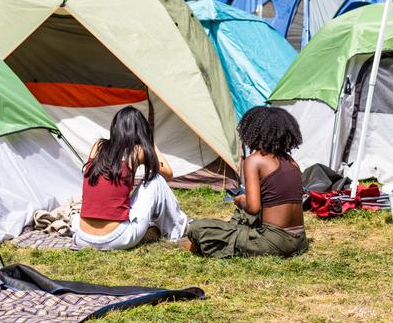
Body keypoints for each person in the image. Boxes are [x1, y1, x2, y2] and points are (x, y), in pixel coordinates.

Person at [184, 106, 308, 258]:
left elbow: (253, 208)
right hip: (300, 240)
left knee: (197, 228)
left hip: (275, 242)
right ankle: (231, 233)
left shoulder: (255, 160)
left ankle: (217, 240)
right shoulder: (292, 163)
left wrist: (240, 200)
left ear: (252, 131)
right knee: (242, 215)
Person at [72, 106, 189, 250]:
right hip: (116, 238)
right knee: (156, 180)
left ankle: (150, 230)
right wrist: (149, 142)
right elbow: (168, 174)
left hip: (83, 238)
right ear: (140, 131)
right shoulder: (137, 151)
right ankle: (178, 231)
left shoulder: (98, 145)